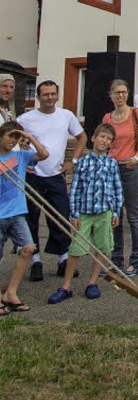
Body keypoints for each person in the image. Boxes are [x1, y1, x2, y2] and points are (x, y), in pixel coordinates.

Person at [18, 80, 87, 282]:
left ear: (57, 95)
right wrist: (21, 158)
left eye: (53, 94)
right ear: (38, 97)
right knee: (31, 218)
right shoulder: (26, 118)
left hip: (56, 175)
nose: (49, 98)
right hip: (33, 175)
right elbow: (10, 138)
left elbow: (82, 137)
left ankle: (63, 259)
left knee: (60, 216)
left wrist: (72, 161)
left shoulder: (66, 116)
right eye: (45, 94)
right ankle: (35, 261)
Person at [48, 122, 123, 303]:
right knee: (77, 248)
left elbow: (117, 188)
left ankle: (92, 282)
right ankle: (66, 286)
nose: (105, 141)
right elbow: (74, 189)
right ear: (94, 138)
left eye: (109, 139)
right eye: (102, 137)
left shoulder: (112, 163)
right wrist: (74, 213)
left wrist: (116, 212)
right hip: (84, 213)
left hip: (104, 212)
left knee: (102, 248)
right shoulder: (82, 162)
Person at [103, 79, 138, 277]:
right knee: (115, 216)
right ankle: (116, 260)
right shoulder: (107, 117)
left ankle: (136, 261)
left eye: (124, 92)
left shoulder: (135, 113)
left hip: (130, 168)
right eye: (117, 92)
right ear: (111, 95)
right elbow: (104, 141)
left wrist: (136, 157)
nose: (121, 95)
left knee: (133, 215)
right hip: (112, 168)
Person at [0, 120, 49, 314]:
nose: (14, 140)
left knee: (28, 249)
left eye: (17, 137)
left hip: (17, 214)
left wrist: (28, 137)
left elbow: (44, 155)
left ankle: (11, 293)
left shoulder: (21, 156)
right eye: (10, 136)